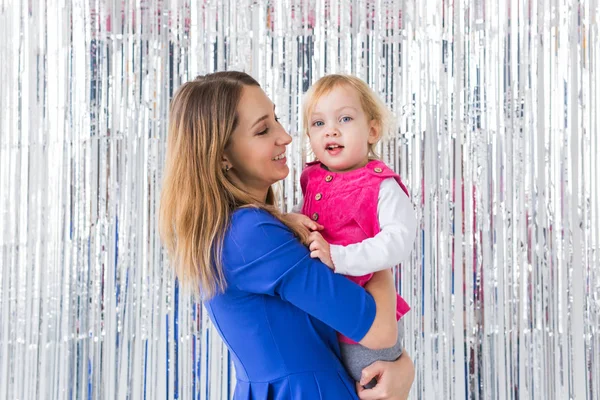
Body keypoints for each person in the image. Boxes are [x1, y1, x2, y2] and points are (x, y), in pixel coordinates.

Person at [159, 71, 415, 399]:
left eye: (276, 118)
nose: (286, 137)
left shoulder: (246, 228)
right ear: (222, 154)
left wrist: (402, 370)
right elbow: (379, 330)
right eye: (263, 129)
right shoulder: (252, 234)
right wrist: (375, 251)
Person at [289, 74, 417, 389]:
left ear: (372, 130)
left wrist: (340, 256)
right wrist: (290, 219)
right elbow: (311, 220)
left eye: (345, 118)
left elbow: (398, 241)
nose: (331, 130)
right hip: (324, 318)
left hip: (364, 328)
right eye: (318, 124)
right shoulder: (312, 178)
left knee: (370, 386)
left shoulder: (381, 184)